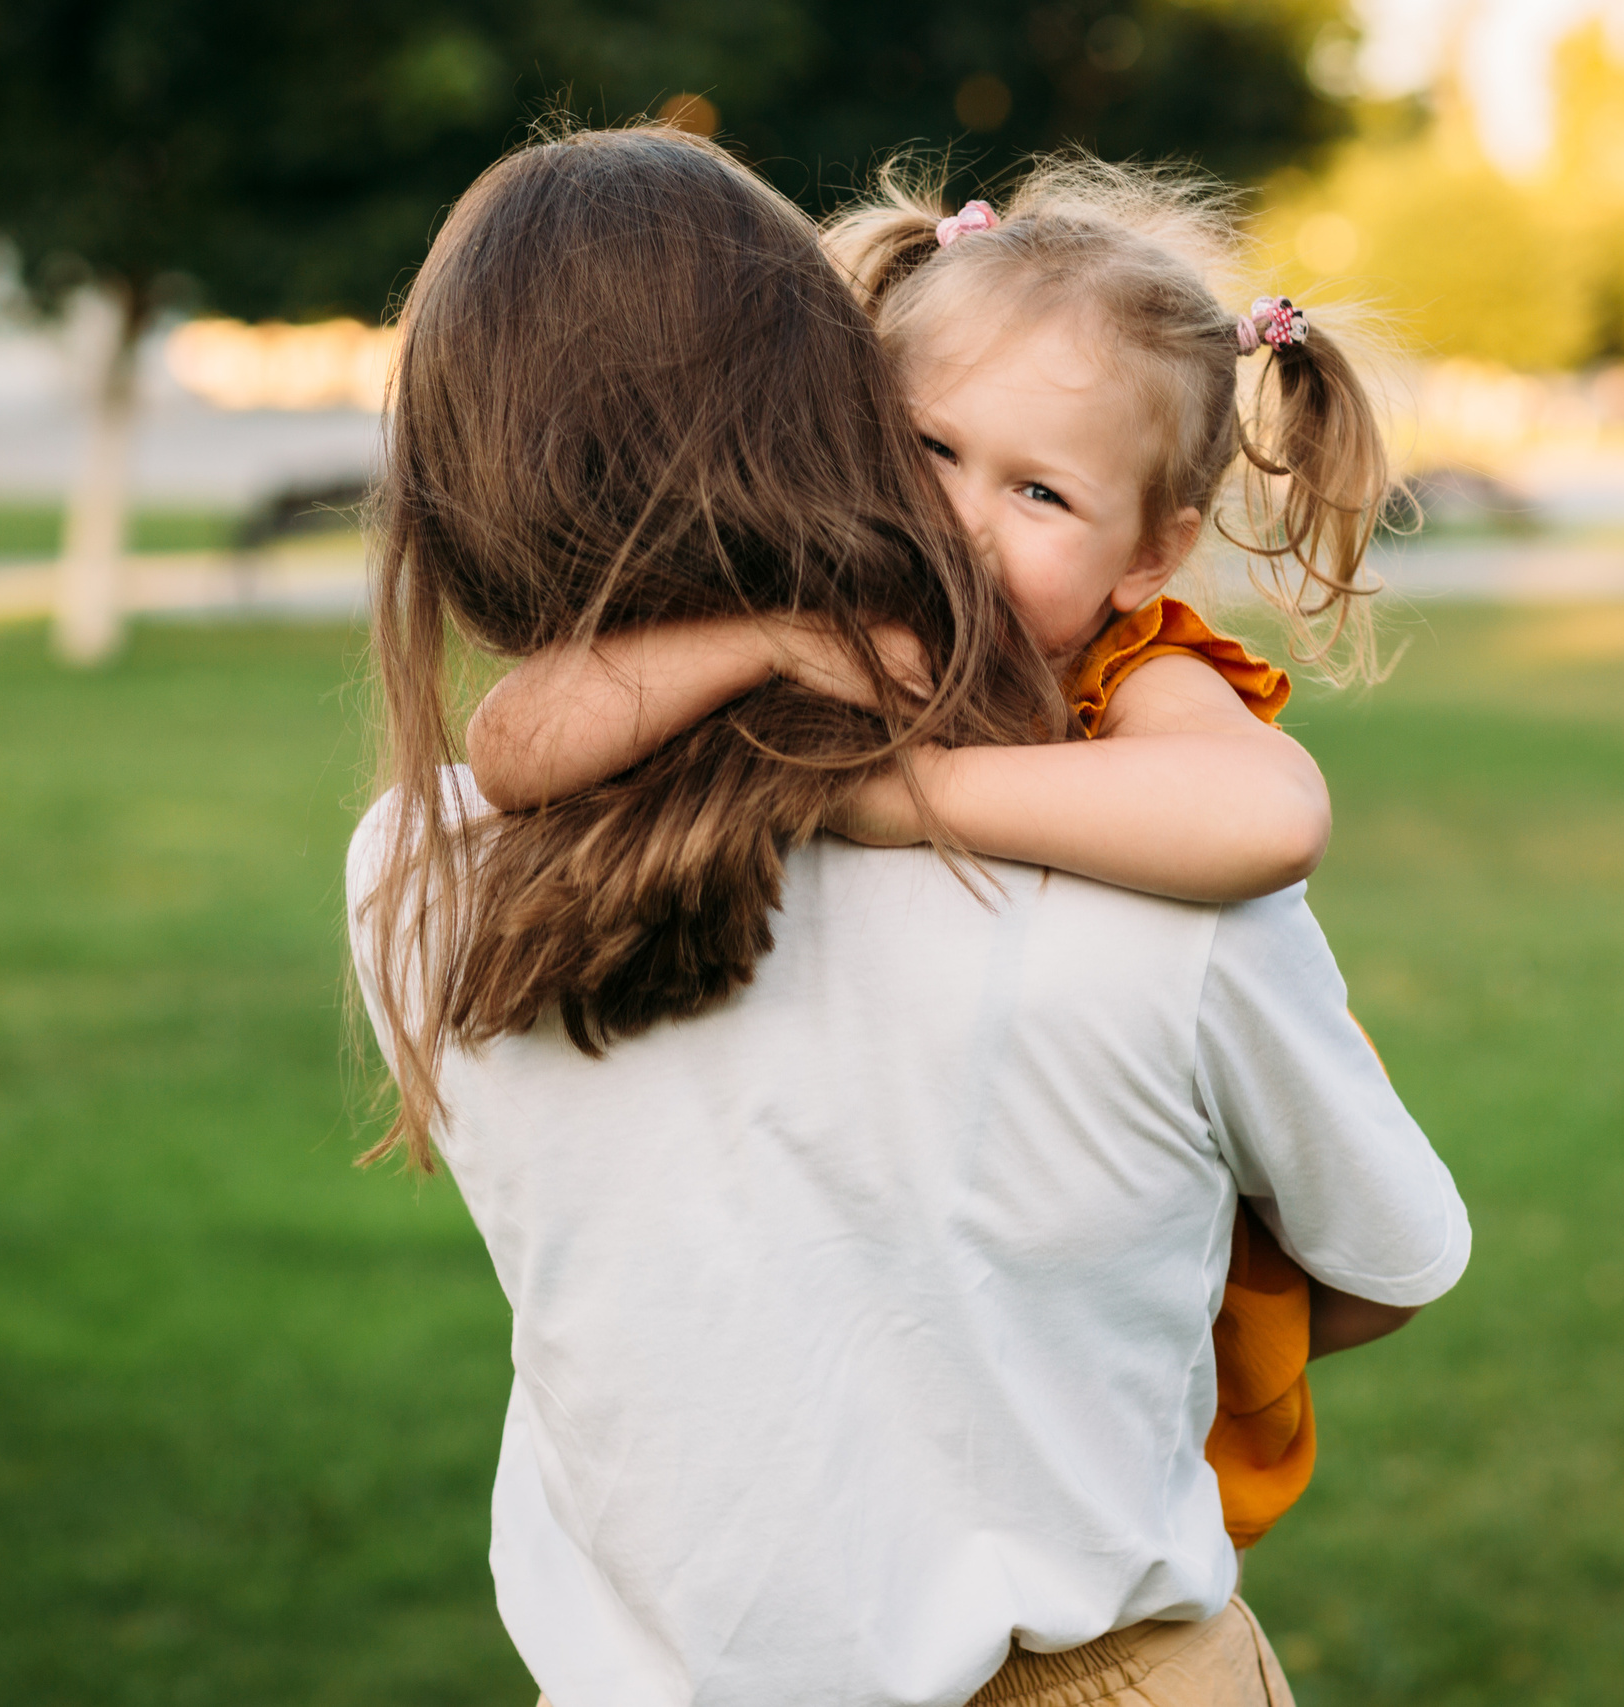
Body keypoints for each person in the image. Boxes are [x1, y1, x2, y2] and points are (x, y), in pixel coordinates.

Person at [350, 126, 1469, 1707]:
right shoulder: (862, 674)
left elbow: (1268, 818)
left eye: (1038, 489)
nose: (963, 518)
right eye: (927, 451)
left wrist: (885, 796)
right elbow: (517, 740)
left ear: (1149, 548)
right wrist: (774, 651)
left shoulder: (1137, 689)